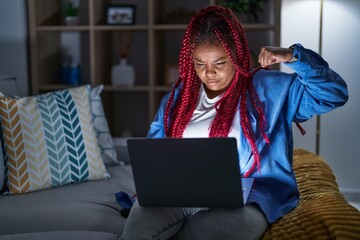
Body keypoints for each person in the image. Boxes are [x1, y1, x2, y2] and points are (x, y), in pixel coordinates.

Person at [121, 5, 348, 240]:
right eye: (200, 64)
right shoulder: (178, 98)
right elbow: (155, 151)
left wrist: (293, 56)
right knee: (138, 225)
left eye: (219, 63)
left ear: (237, 56)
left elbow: (332, 94)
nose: (209, 73)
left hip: (248, 193)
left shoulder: (271, 89)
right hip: (179, 191)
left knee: (226, 229)